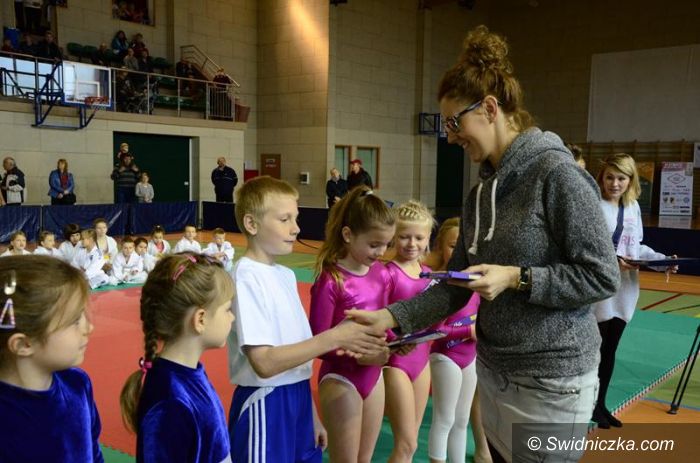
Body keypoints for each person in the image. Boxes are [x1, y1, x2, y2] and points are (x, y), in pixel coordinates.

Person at [344, 25, 620, 463]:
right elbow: (454, 286)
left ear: (490, 108)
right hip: (494, 373)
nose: (450, 135)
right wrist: (390, 317)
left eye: (455, 122)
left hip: (552, 381)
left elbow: (602, 277)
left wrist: (517, 278)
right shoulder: (478, 196)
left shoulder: (558, 176)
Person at [227, 176, 384, 463]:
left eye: (296, 218)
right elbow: (264, 362)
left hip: (297, 398)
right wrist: (334, 337)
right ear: (251, 224)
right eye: (285, 219)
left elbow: (297, 361)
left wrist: (311, 413)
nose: (296, 228)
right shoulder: (246, 276)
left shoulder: (285, 275)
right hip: (267, 401)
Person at [119, 254, 235, 462]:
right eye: (228, 309)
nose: (232, 317)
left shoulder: (190, 374)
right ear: (200, 319)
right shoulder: (169, 401)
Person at [591, 153, 677, 429]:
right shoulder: (593, 205)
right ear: (601, 178)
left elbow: (635, 247)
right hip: (599, 289)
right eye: (610, 177)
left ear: (631, 180)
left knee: (610, 350)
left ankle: (600, 404)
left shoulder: (633, 208)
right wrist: (613, 261)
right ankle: (589, 404)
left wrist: (661, 261)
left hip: (625, 289)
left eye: (621, 178)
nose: (614, 184)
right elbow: (587, 248)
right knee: (595, 350)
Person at [310, 185, 395, 463]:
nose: (381, 251)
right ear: (348, 235)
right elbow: (319, 341)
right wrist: (360, 356)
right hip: (341, 377)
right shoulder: (331, 279)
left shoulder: (382, 273)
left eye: (386, 244)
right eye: (374, 244)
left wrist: (396, 342)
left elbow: (385, 320)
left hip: (374, 375)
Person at [0, 255, 102, 462]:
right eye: (75, 321)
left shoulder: (77, 384)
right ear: (24, 344)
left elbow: (94, 453)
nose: (89, 328)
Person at [424, 217, 490, 463]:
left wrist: (478, 329)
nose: (460, 253)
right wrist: (468, 331)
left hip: (470, 357)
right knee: (444, 419)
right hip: (446, 356)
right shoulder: (438, 282)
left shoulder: (477, 283)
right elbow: (434, 329)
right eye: (453, 246)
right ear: (440, 247)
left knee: (462, 421)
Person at [383, 200, 435, 463]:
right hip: (396, 363)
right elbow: (378, 318)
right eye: (404, 236)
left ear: (428, 239)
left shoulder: (429, 274)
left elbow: (436, 318)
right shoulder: (387, 274)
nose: (412, 243)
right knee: (406, 444)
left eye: (419, 237)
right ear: (393, 236)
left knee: (411, 445)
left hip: (422, 362)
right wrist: (394, 341)